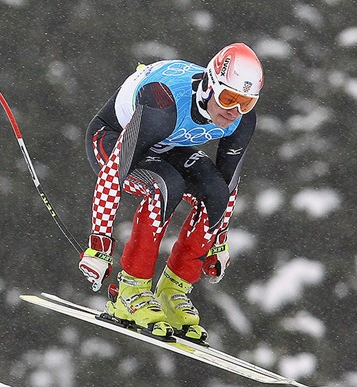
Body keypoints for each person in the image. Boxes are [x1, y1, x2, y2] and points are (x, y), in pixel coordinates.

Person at [79, 43, 263, 342]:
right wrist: (98, 246)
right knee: (167, 187)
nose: (234, 112)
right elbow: (113, 173)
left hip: (166, 144)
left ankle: (172, 290)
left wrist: (218, 242)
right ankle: (131, 290)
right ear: (209, 86)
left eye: (246, 102)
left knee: (216, 192)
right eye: (229, 98)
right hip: (112, 140)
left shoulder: (241, 120)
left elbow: (228, 185)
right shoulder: (164, 102)